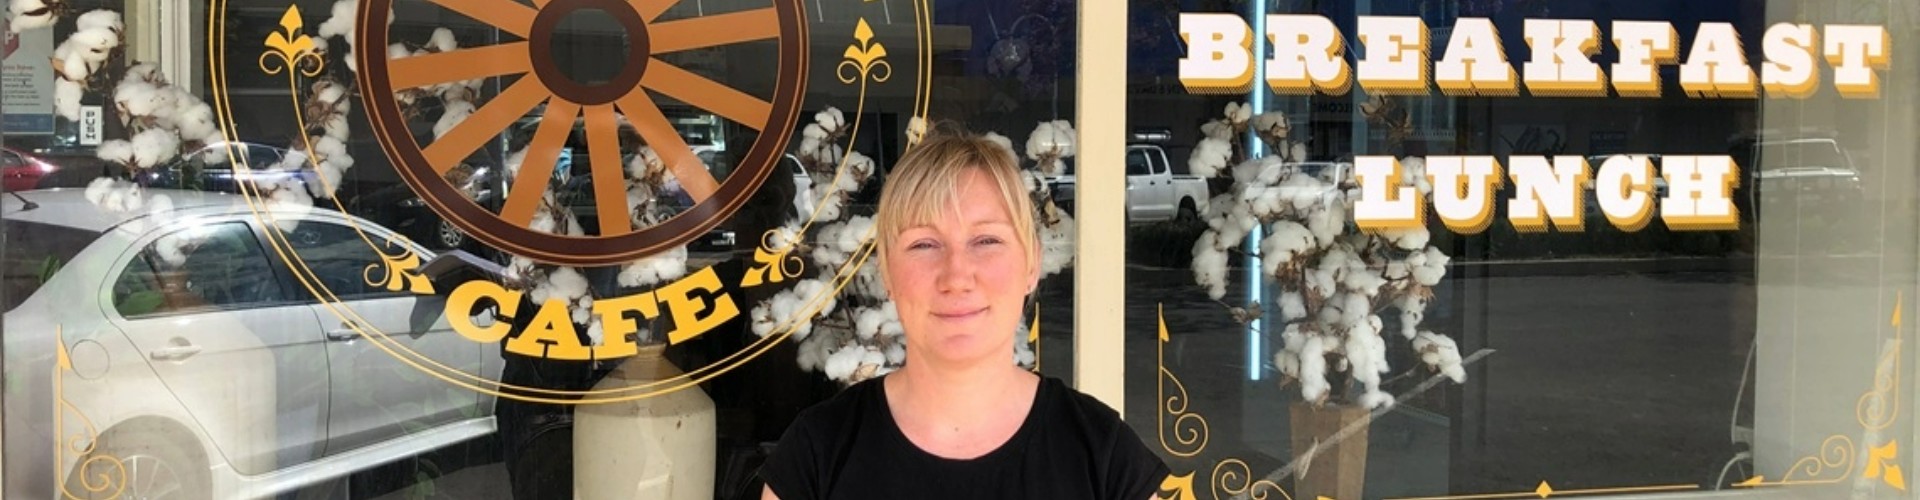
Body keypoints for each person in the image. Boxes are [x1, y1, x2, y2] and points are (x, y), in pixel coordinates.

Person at [759, 130, 1170, 499]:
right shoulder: (816, 454)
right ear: (887, 272)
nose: (956, 276)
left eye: (986, 240)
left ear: (1032, 264)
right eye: (924, 244)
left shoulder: (1103, 457)